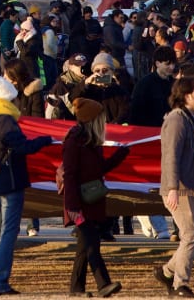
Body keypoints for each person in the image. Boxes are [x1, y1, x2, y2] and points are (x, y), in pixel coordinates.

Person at [0, 74, 53, 296]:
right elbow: (22, 147)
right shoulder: (5, 120)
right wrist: (44, 140)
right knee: (8, 232)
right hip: (10, 181)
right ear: (7, 98)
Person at [59, 96, 129, 297]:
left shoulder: (91, 142)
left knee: (84, 247)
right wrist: (72, 207)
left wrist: (119, 156)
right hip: (79, 203)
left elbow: (98, 169)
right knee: (91, 246)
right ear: (93, 120)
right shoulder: (74, 141)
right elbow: (69, 175)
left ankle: (76, 289)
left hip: (91, 201)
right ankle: (103, 284)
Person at [158, 75, 194, 298]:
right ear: (187, 95)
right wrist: (172, 187)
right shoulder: (177, 119)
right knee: (190, 236)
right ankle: (180, 285)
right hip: (181, 189)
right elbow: (171, 155)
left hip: (193, 187)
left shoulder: (190, 119)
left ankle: (167, 271)